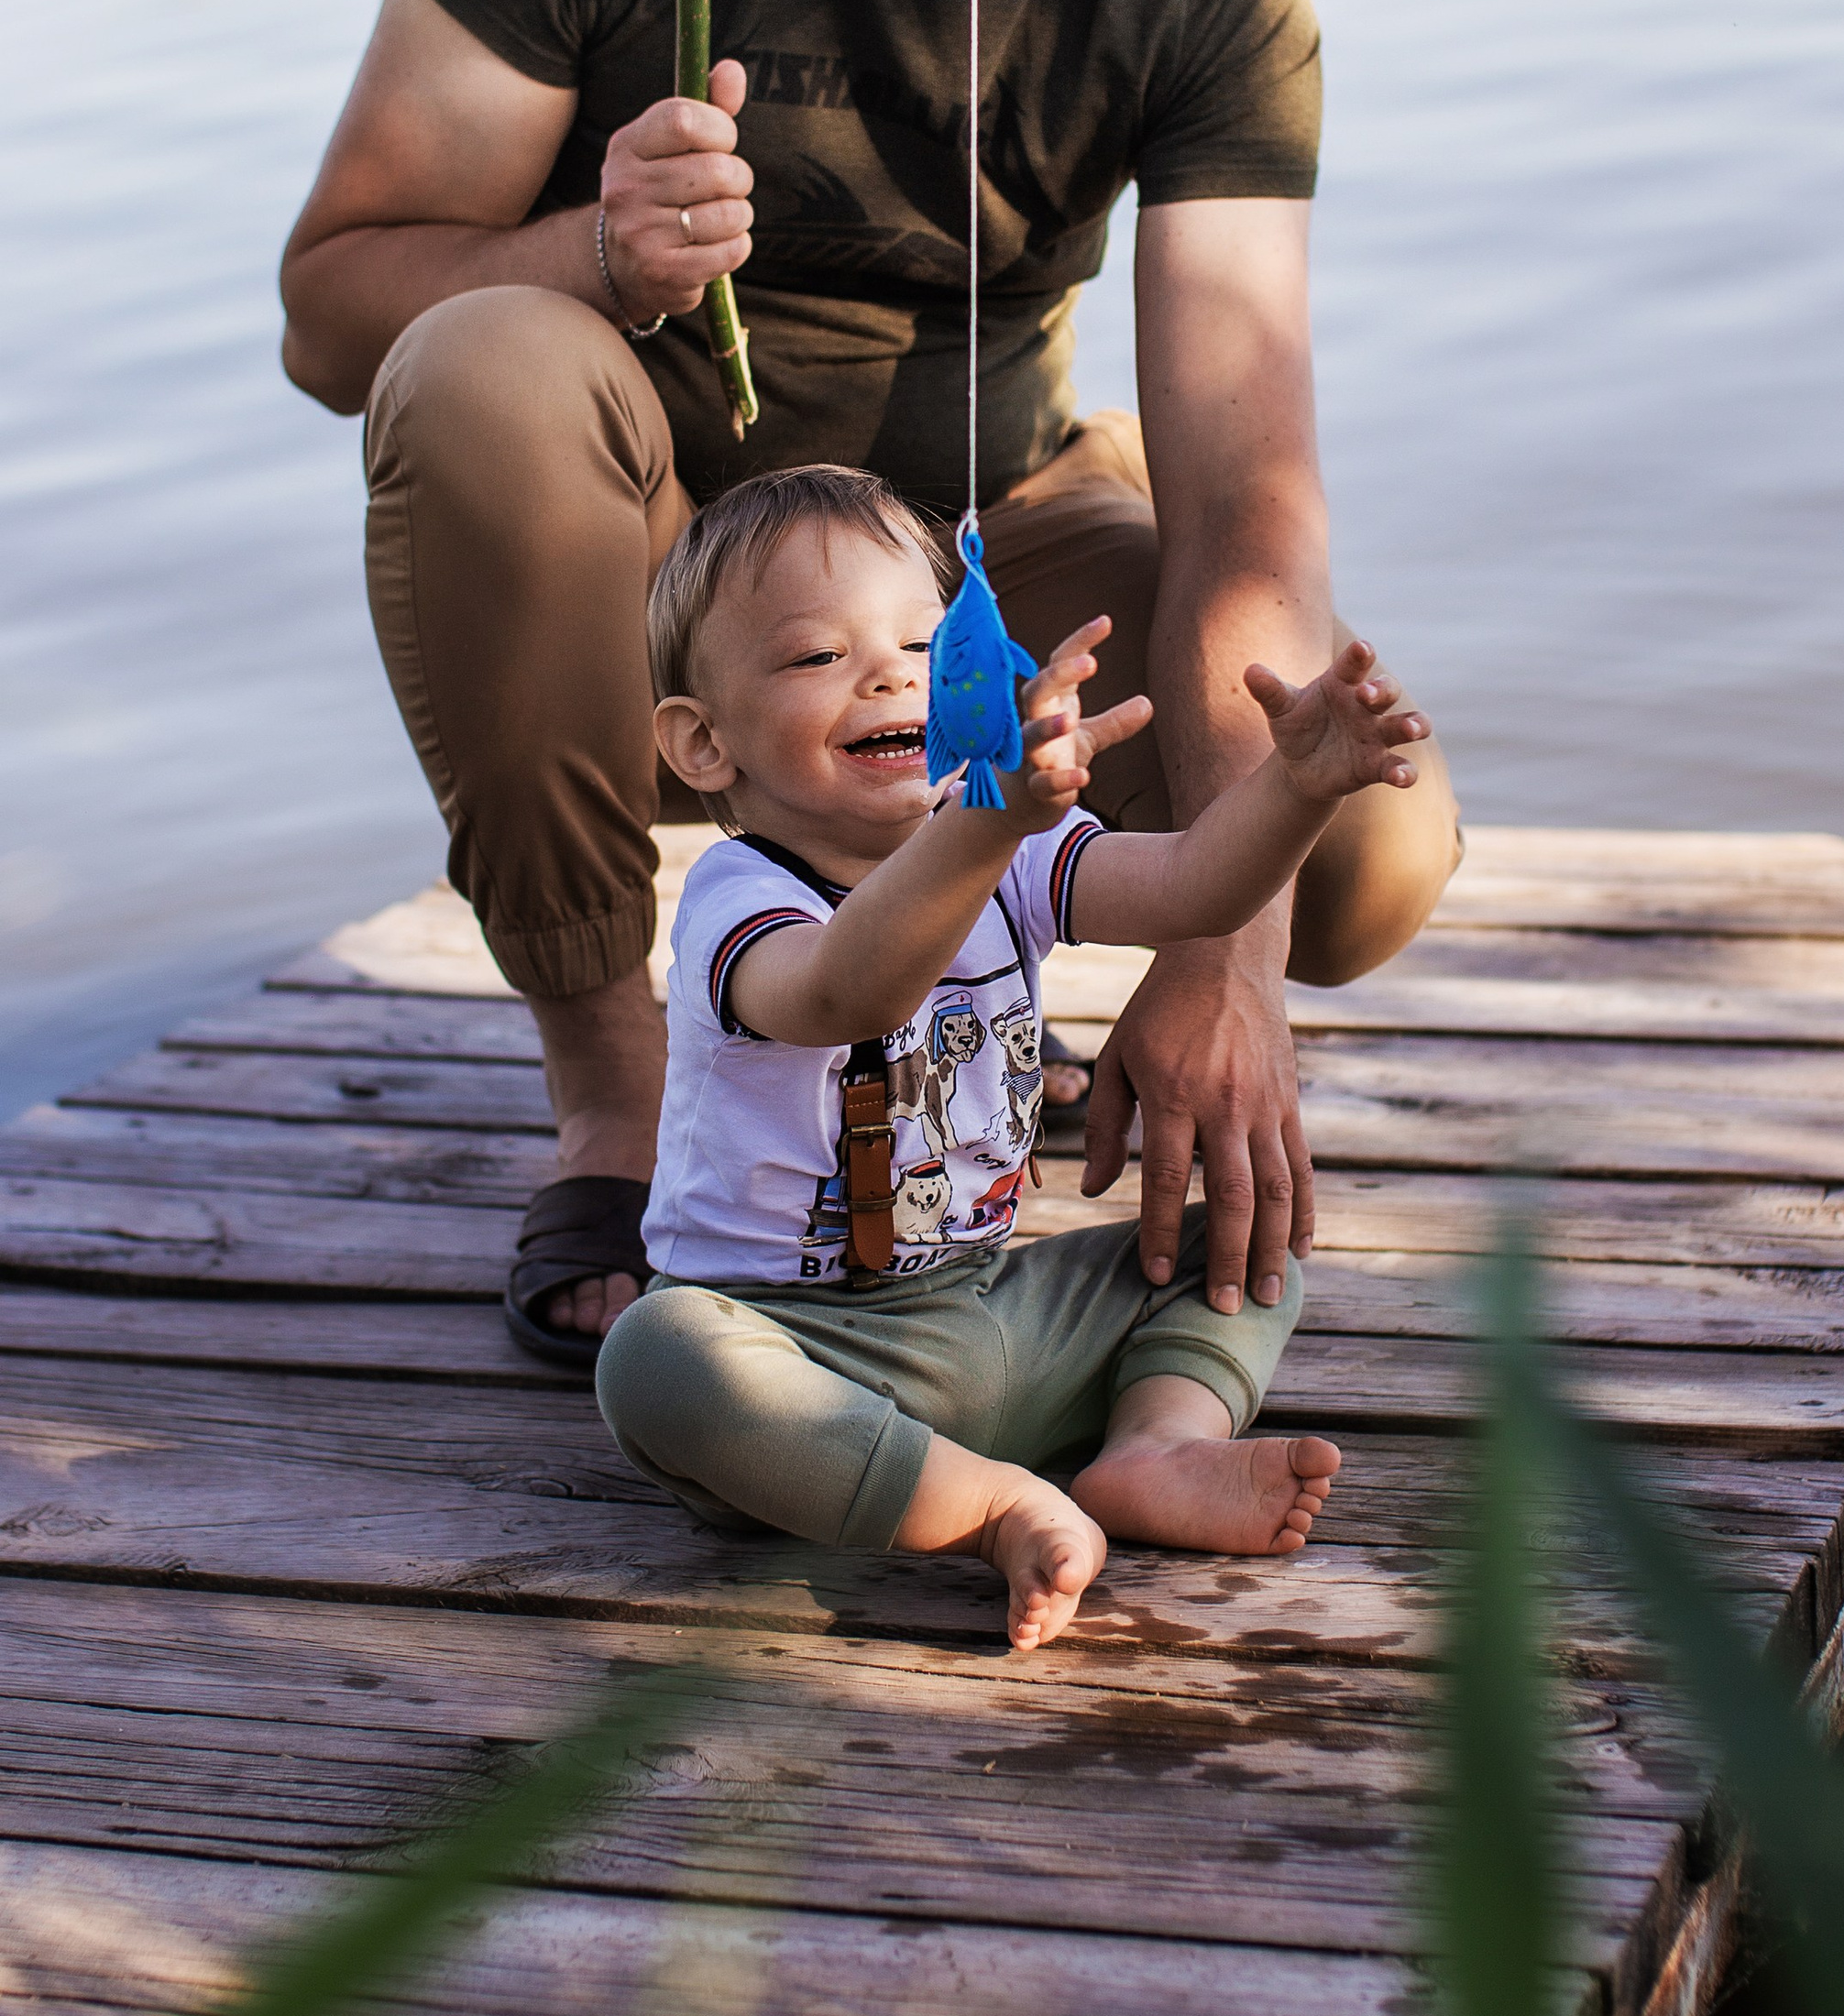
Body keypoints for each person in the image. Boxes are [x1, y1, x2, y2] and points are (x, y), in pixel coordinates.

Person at [278, 0, 1460, 1364]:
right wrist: (589, 248)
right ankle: (619, 1090)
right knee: (478, 370)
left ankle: (983, 1024)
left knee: (1366, 854)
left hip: (983, 558)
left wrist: (1218, 957)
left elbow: (1248, 495)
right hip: (658, 564)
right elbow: (332, 312)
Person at [594, 464, 1433, 1652]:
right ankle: (987, 1506)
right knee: (654, 1362)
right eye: (815, 657)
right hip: (783, 1349)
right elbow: (846, 989)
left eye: (923, 647)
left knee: (1242, 1243)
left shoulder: (1017, 848)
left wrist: (1296, 788)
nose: (888, 674)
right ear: (703, 743)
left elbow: (1195, 886)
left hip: (982, 1317)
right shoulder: (740, 897)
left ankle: (1152, 1449)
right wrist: (986, 827)